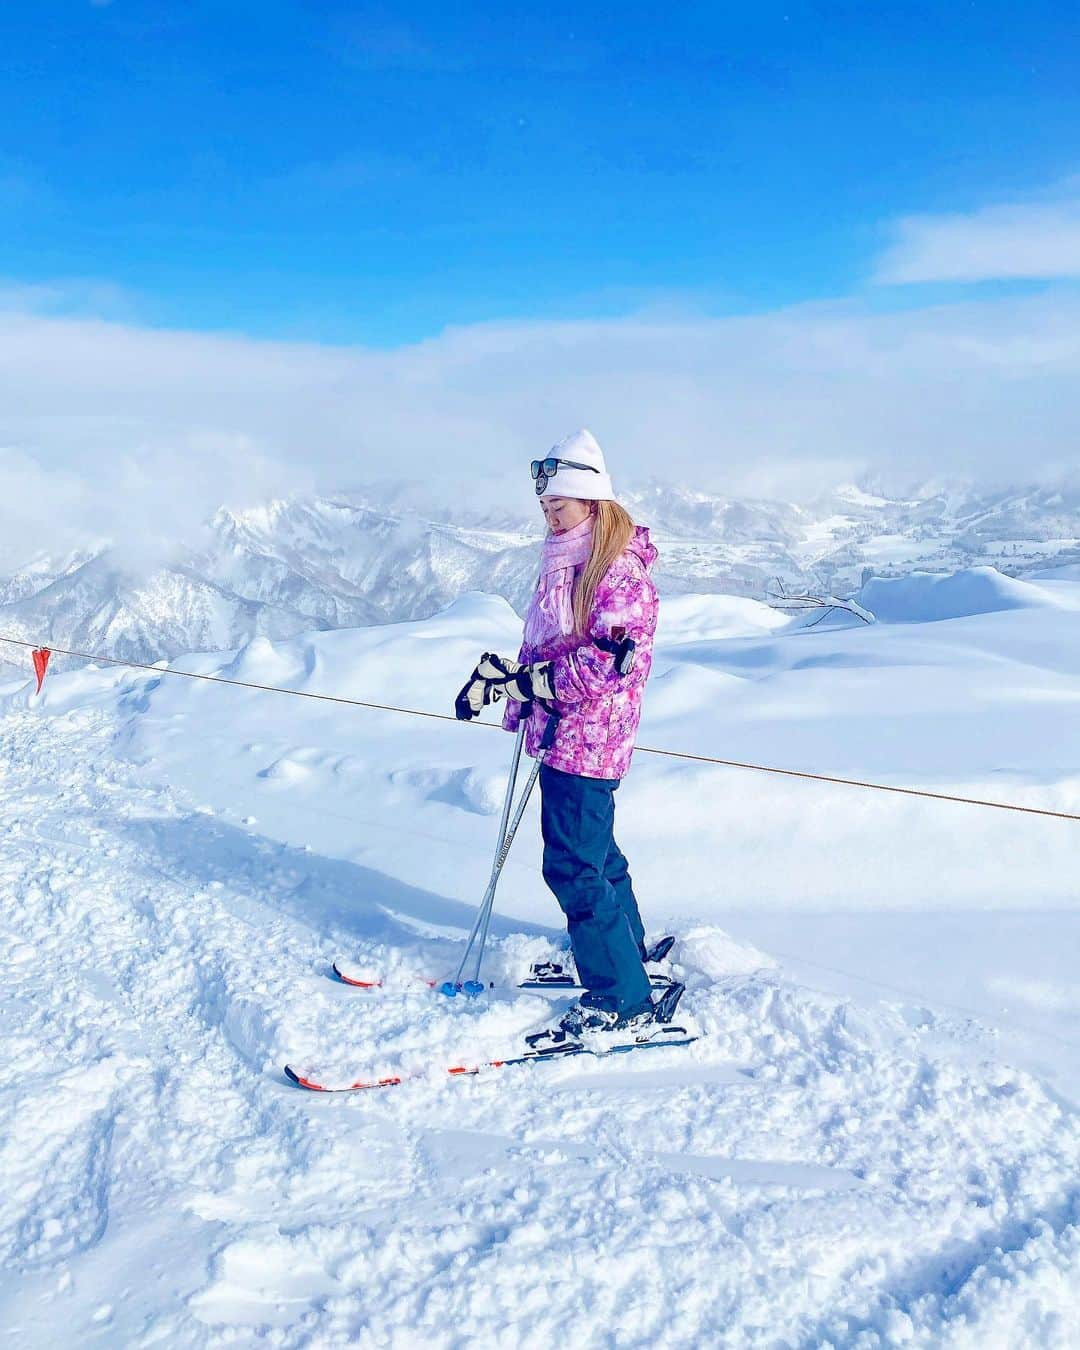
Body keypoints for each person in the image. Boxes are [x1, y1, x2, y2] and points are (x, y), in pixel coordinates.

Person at [455, 429, 682, 1043]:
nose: (550, 516)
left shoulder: (617, 572)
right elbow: (560, 646)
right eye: (545, 506)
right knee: (596, 853)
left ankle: (619, 994)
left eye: (560, 504)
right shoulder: (571, 560)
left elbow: (610, 664)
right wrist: (511, 678)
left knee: (573, 865)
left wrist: (532, 684)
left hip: (589, 739)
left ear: (593, 501)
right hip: (569, 734)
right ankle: (627, 951)